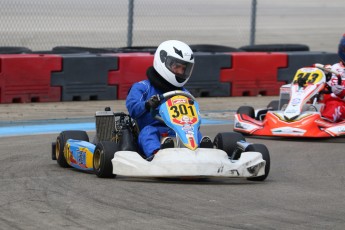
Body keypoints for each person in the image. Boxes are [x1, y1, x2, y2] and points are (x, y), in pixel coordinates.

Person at [126, 40, 213, 160]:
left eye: (184, 69)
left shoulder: (184, 93)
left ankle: (200, 153)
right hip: (153, 130)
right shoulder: (142, 87)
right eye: (177, 67)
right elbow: (133, 109)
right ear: (163, 61)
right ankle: (157, 154)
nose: (180, 72)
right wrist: (147, 105)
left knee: (195, 133)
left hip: (178, 131)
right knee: (148, 132)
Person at [321, 34, 345, 122]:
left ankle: (323, 122)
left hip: (341, 105)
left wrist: (342, 94)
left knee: (335, 106)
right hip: (325, 102)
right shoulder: (333, 68)